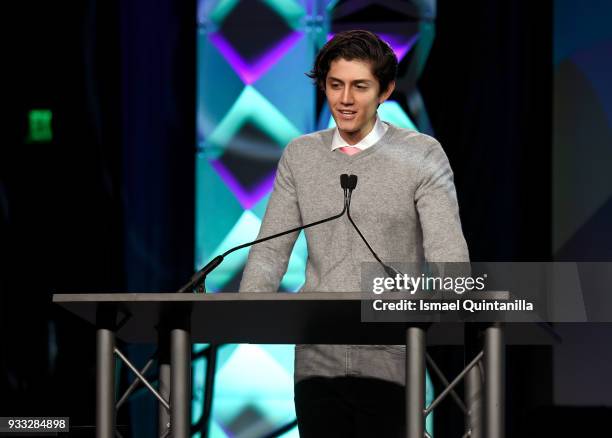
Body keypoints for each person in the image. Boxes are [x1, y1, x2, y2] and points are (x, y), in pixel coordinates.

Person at [239, 30, 469, 437]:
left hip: (392, 349)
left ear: (386, 91)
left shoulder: (422, 154)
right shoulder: (301, 154)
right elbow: (271, 248)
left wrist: (457, 303)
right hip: (317, 352)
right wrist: (246, 311)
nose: (345, 99)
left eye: (360, 86)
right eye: (335, 85)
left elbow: (447, 250)